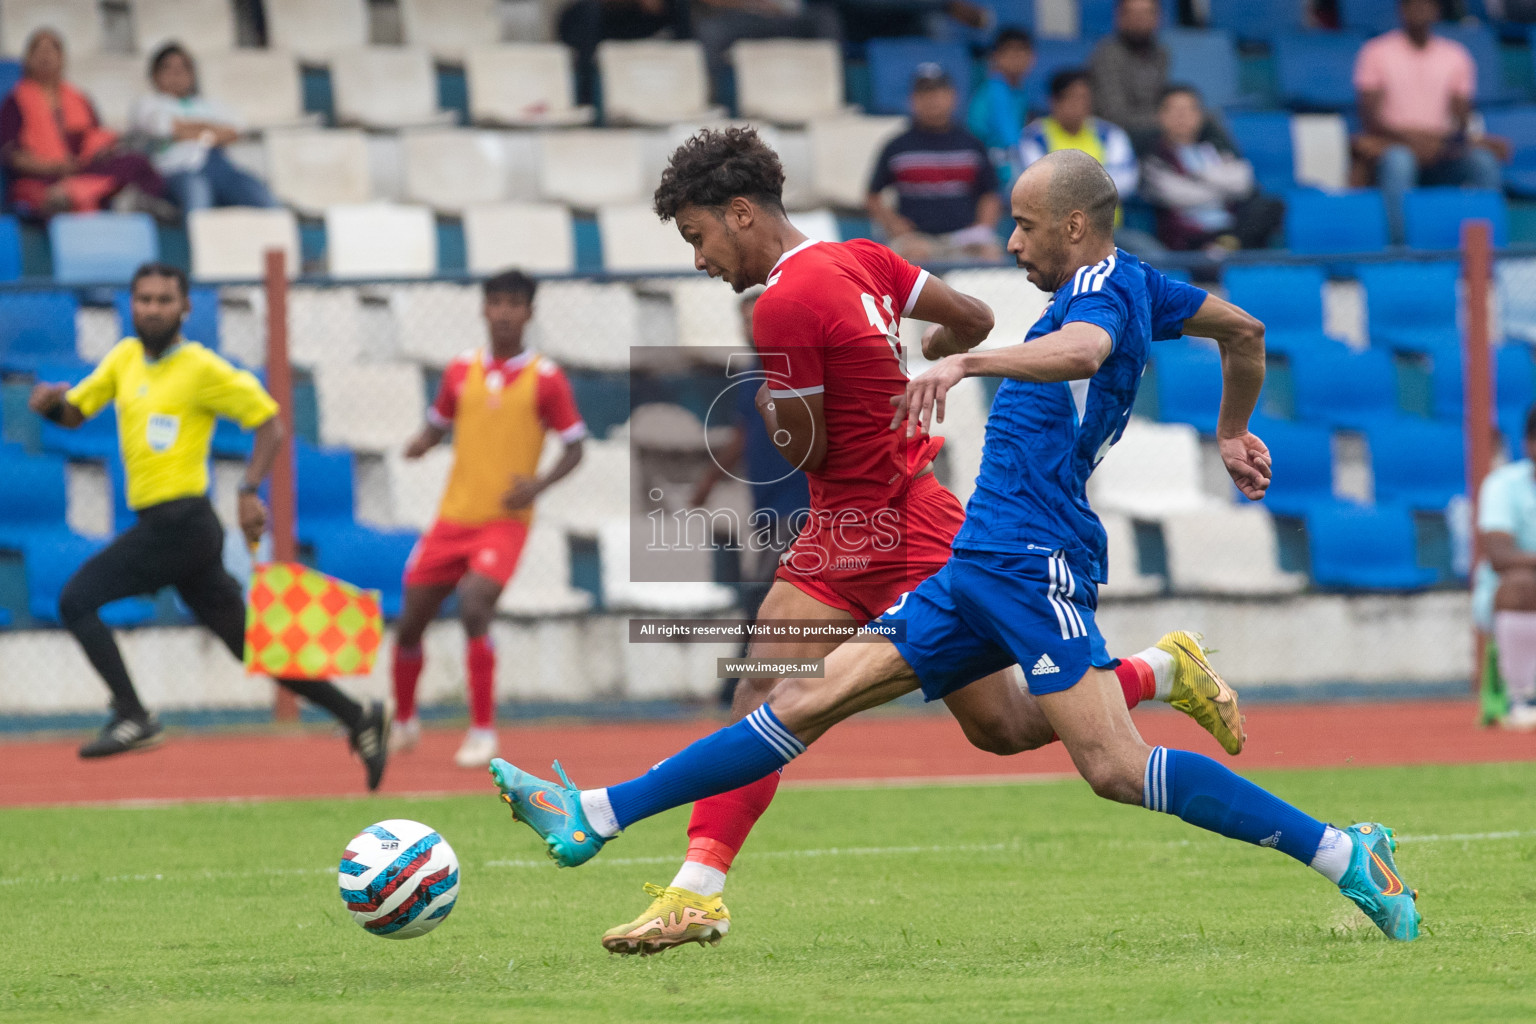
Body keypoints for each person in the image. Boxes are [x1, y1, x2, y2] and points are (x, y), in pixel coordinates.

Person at [488, 148, 1424, 946]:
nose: (1009, 243)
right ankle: (601, 820)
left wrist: (945, 366)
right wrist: (1231, 430)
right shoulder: (884, 260)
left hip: (1019, 553)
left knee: (1102, 764)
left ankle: (1340, 847)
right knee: (820, 703)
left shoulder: (1090, 291)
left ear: (1074, 227)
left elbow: (1081, 351)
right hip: (969, 545)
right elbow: (1243, 328)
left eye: (1024, 226)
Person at [26, 263, 390, 786]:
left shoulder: (201, 368)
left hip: (182, 524)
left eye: (163, 300)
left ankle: (133, 714)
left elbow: (270, 423)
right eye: (143, 299)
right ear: (132, 304)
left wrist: (247, 489)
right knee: (248, 643)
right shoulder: (124, 358)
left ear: (185, 308)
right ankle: (359, 718)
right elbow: (75, 414)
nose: (152, 308)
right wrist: (49, 408)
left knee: (76, 600)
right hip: (172, 529)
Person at [389, 270, 587, 769]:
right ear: (483, 308)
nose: (503, 311)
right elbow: (438, 423)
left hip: (504, 521)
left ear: (529, 312)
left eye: (513, 303)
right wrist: (419, 442)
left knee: (474, 602)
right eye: (495, 301)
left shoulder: (546, 378)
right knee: (410, 622)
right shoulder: (459, 370)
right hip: (452, 518)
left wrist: (539, 485)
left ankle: (482, 730)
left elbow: (576, 445)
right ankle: (406, 719)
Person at [688, 292, 812, 708]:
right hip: (768, 504)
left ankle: (737, 687)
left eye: (755, 319)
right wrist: (709, 480)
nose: (749, 328)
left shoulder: (795, 369)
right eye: (744, 320)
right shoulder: (750, 372)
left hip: (797, 503)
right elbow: (743, 434)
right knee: (771, 595)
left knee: (761, 593)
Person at [1351, 0, 1506, 245]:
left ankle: (1490, 250)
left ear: (1436, 11)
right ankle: (1401, 251)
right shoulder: (1375, 51)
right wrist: (1417, 142)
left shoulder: (1455, 55)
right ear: (1402, 10)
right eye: (1413, 5)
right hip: (1394, 144)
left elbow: (1461, 120)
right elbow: (1372, 119)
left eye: (1426, 5)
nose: (1420, 11)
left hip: (1440, 151)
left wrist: (1443, 144)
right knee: (1399, 162)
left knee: (1483, 163)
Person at [0, 29, 170, 218]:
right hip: (42, 177)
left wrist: (105, 149)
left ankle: (74, 193)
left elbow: (96, 140)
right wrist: (54, 167)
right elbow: (12, 156)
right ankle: (101, 196)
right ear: (28, 59)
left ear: (62, 58)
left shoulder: (79, 99)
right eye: (38, 50)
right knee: (33, 193)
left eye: (51, 50)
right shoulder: (15, 101)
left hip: (83, 171)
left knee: (136, 162)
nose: (45, 56)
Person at [866, 64, 1004, 264]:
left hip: (963, 238)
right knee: (912, 256)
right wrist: (893, 224)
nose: (932, 100)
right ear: (912, 100)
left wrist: (982, 228)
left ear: (952, 96)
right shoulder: (897, 147)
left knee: (989, 253)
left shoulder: (972, 145)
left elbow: (990, 194)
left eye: (938, 92)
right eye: (924, 94)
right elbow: (872, 196)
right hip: (917, 239)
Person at [1016, 70, 1162, 257]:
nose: (1081, 104)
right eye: (1073, 98)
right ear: (1054, 101)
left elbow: (1125, 182)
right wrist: (1097, 183)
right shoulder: (1034, 138)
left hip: (1109, 235)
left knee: (1157, 259)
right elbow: (1040, 188)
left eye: (1085, 98)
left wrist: (1067, 182)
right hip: (1053, 235)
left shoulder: (1110, 134)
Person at [128, 42, 277, 214]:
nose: (177, 74)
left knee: (264, 198)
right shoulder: (147, 104)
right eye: (168, 68)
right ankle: (197, 241)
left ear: (192, 75)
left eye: (183, 67)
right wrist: (212, 130)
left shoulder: (209, 104)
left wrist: (190, 132)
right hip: (175, 171)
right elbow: (163, 128)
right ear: (155, 75)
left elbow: (237, 130)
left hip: (220, 169)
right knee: (197, 192)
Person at [1140, 85, 1284, 253]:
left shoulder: (1216, 148)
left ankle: (1224, 248)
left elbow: (1244, 183)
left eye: (1189, 109)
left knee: (1270, 205)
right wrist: (1225, 191)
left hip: (1232, 227)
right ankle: (1225, 250)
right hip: (1191, 236)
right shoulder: (1154, 156)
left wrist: (1198, 174)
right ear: (1160, 116)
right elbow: (1178, 195)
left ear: (1200, 115)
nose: (1182, 117)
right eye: (1174, 110)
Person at [1473, 405, 1536, 730]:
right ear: (1529, 444)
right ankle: (1522, 697)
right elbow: (1500, 557)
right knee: (1523, 583)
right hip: (1506, 597)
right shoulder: (1502, 484)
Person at [691, 0, 841, 105]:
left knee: (826, 19)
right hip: (744, 15)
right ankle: (711, 100)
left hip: (787, 16)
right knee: (711, 30)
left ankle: (831, 95)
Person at [557, 0, 691, 107]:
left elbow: (688, 58)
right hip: (602, 102)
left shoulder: (675, 10)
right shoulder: (585, 14)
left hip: (663, 93)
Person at [967, 27, 1036, 188]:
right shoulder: (995, 90)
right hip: (989, 173)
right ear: (996, 56)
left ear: (1032, 58)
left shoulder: (1018, 92)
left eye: (1022, 51)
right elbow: (1010, 143)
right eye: (1010, 52)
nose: (1017, 57)